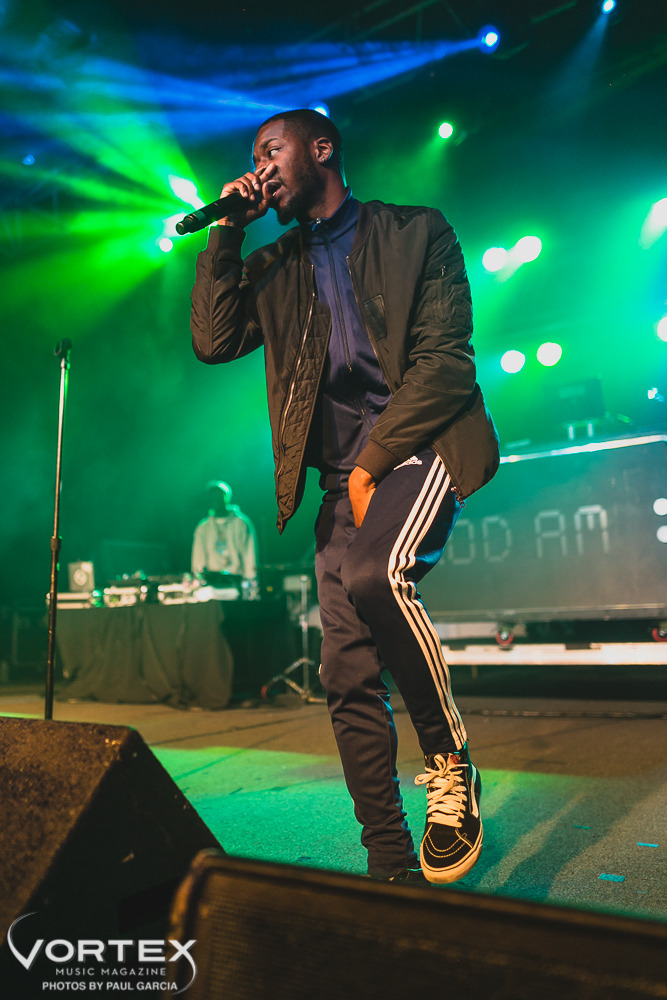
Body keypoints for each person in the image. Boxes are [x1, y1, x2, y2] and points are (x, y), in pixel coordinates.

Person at [189, 109, 499, 883]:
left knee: (374, 573)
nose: (259, 167)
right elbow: (213, 341)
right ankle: (387, 863)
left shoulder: (415, 231)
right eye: (253, 156)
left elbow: (446, 365)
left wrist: (371, 466)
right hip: (337, 482)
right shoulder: (276, 264)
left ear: (320, 149)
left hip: (419, 445)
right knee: (344, 673)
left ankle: (449, 761)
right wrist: (226, 234)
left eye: (271, 150)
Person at [191, 480, 259, 598]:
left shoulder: (241, 523)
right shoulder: (203, 527)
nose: (216, 499)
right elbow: (198, 557)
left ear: (227, 497)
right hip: (211, 586)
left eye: (219, 495)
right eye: (213, 496)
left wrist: (250, 582)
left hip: (236, 584)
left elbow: (249, 555)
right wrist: (198, 579)